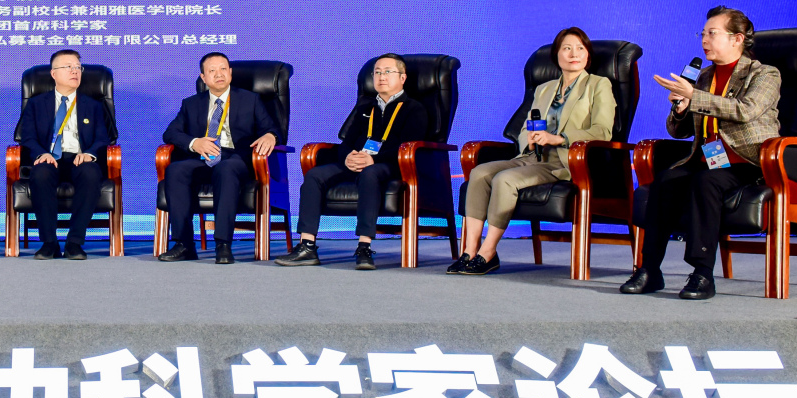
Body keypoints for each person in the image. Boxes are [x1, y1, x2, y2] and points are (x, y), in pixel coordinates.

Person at [622, 6, 780, 301]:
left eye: (712, 33)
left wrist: (694, 96)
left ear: (737, 38)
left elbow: (745, 111)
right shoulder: (704, 77)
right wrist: (681, 108)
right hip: (707, 158)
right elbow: (678, 131)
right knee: (665, 180)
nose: (704, 40)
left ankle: (703, 273)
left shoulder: (764, 74)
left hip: (747, 162)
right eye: (703, 34)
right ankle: (649, 269)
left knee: (705, 182)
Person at [454, 27, 615, 276]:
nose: (574, 54)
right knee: (479, 173)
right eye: (567, 48)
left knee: (504, 179)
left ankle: (488, 252)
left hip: (566, 161)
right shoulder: (544, 89)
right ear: (556, 55)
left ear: (588, 55)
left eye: (580, 48)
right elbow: (525, 127)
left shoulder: (598, 85)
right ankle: (469, 251)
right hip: (532, 157)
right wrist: (527, 140)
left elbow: (603, 131)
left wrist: (559, 138)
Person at [278, 53, 427, 271]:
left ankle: (364, 246)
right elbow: (347, 141)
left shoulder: (414, 109)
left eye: (388, 72)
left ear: (402, 78)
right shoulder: (366, 107)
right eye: (377, 72)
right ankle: (307, 246)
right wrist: (347, 156)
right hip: (356, 161)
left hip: (391, 165)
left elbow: (407, 147)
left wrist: (372, 159)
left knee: (370, 174)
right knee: (314, 176)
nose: (381, 77)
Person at [159, 52, 280, 265]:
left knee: (226, 169)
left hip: (236, 159)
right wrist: (194, 142)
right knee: (175, 170)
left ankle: (223, 244)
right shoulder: (191, 104)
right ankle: (184, 244)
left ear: (230, 73)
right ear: (203, 78)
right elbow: (170, 133)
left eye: (223, 69)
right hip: (202, 158)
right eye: (212, 71)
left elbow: (271, 128)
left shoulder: (250, 100)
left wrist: (270, 135)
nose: (219, 74)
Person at [17, 49, 114, 260]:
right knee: (41, 173)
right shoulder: (36, 104)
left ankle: (74, 243)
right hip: (49, 158)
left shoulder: (93, 105)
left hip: (80, 159)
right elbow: (27, 137)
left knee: (90, 173)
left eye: (78, 67)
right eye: (68, 67)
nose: (75, 71)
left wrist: (89, 153)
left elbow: (103, 138)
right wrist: (41, 154)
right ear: (53, 74)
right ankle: (49, 243)